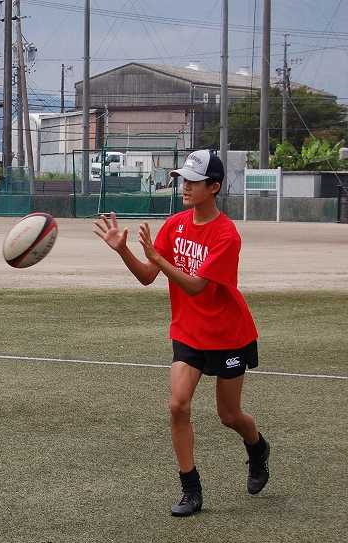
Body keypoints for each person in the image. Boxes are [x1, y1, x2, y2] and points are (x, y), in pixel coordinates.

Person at [93, 150, 270, 517]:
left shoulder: (226, 235)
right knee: (177, 405)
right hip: (188, 332)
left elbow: (196, 286)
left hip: (228, 335)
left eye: (194, 181)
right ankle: (191, 489)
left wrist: (159, 259)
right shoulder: (175, 225)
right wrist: (123, 250)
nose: (185, 186)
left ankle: (257, 447)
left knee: (229, 415)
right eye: (183, 179)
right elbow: (147, 276)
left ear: (214, 187)